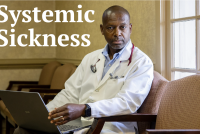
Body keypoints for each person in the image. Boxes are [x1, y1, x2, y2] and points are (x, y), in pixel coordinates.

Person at [14, 5, 153, 134]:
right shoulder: (91, 58)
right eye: (111, 27)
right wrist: (46, 114)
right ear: (102, 29)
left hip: (111, 127)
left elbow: (127, 103)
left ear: (130, 28)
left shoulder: (141, 62)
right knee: (24, 130)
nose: (117, 33)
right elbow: (70, 93)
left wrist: (85, 109)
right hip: (79, 123)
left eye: (122, 27)